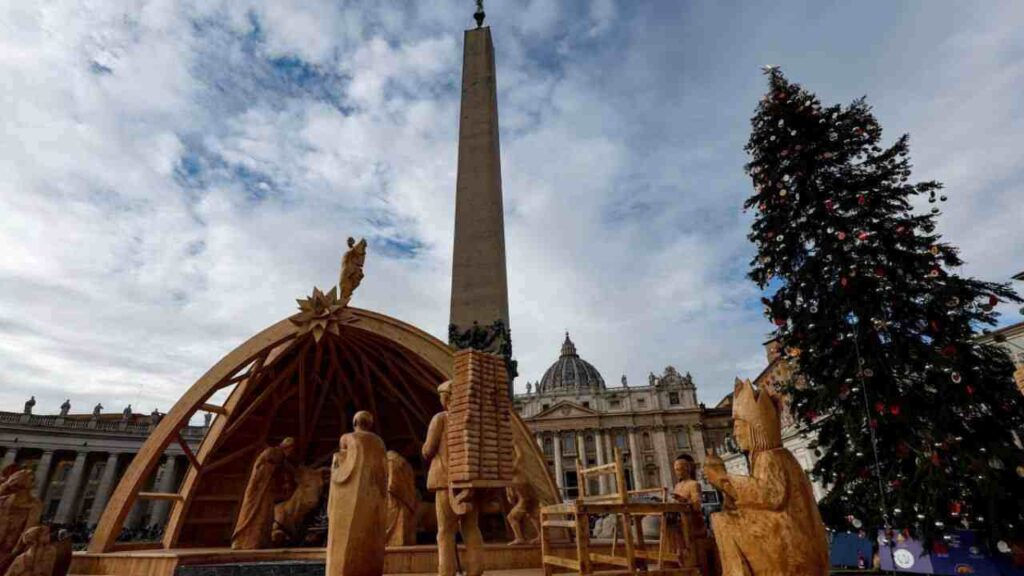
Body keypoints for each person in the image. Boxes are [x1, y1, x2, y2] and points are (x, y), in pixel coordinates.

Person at [703, 379, 829, 575]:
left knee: (723, 522)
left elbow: (770, 494)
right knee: (724, 518)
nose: (735, 434)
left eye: (738, 427)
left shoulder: (770, 456)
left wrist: (723, 480)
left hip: (787, 538)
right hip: (786, 530)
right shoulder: (768, 456)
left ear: (755, 428)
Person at [423, 381, 483, 576]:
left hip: (445, 482)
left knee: (445, 531)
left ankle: (446, 572)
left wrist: (424, 451)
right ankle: (476, 570)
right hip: (469, 482)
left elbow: (429, 449)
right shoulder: (472, 421)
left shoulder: (440, 419)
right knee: (471, 528)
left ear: (446, 399)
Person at [326, 412, 387, 576]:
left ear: (354, 422)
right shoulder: (379, 442)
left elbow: (343, 473)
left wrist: (336, 463)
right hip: (373, 496)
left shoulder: (348, 438)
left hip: (348, 501)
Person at [231, 438, 296, 550]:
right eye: (291, 449)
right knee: (252, 512)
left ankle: (260, 541)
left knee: (265, 516)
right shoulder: (272, 453)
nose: (291, 452)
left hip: (266, 491)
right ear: (287, 447)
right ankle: (246, 541)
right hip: (258, 490)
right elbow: (260, 467)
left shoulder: (280, 458)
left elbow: (285, 471)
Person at [385, 451, 418, 547]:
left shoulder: (391, 461)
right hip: (405, 498)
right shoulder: (403, 463)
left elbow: (392, 484)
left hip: (397, 496)